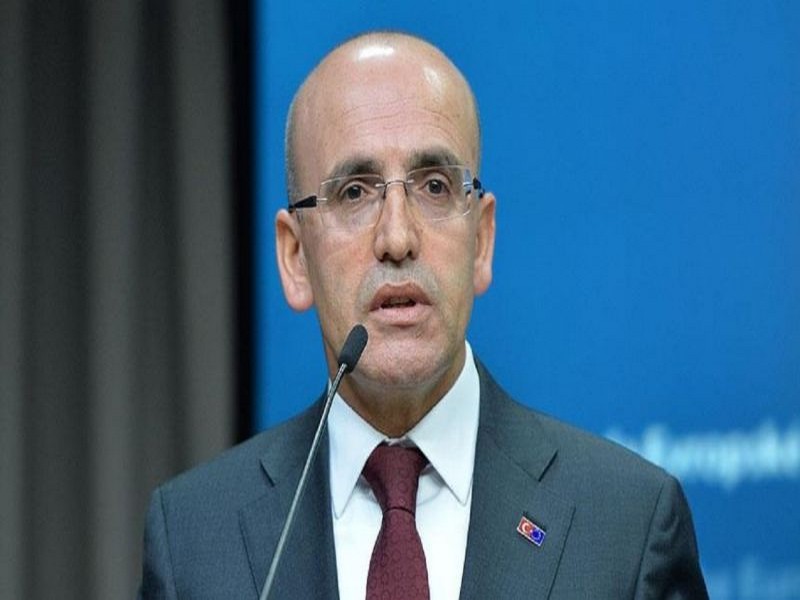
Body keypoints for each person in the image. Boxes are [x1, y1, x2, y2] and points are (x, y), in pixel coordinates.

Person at [138, 31, 708, 599]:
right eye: (354, 192)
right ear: (294, 258)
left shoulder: (628, 526)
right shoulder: (192, 540)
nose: (397, 238)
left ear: (482, 240)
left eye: (435, 186)